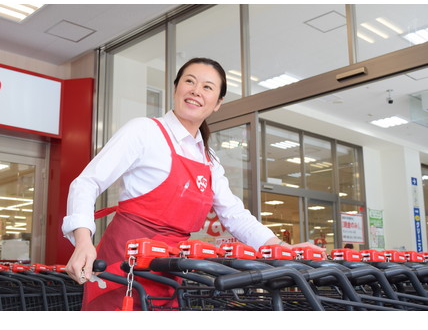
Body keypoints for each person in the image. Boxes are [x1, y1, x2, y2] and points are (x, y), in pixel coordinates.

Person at [62, 57, 326, 310]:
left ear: (217, 103)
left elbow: (235, 216)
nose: (196, 90)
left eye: (207, 87)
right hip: (123, 266)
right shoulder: (144, 131)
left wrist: (279, 247)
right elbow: (87, 183)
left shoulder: (209, 159)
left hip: (169, 269)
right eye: (189, 81)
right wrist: (84, 242)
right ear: (176, 87)